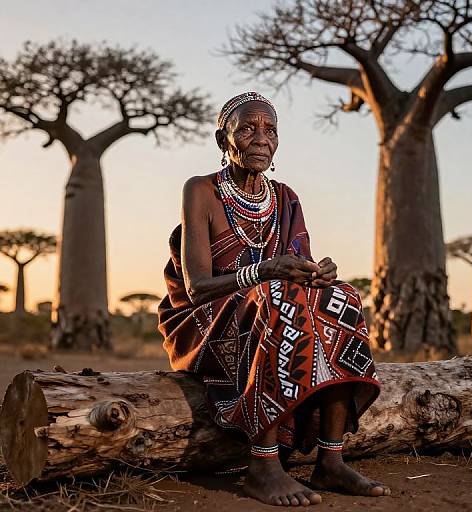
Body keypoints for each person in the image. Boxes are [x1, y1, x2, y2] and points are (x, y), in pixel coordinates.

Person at [158, 91, 390, 506]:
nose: (261, 138)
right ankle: (263, 466)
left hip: (269, 305)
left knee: (345, 299)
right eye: (247, 129)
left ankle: (331, 460)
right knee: (277, 297)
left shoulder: (285, 197)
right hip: (205, 319)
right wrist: (264, 273)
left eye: (270, 130)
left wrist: (319, 275)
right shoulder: (201, 190)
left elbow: (296, 267)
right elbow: (196, 288)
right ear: (221, 140)